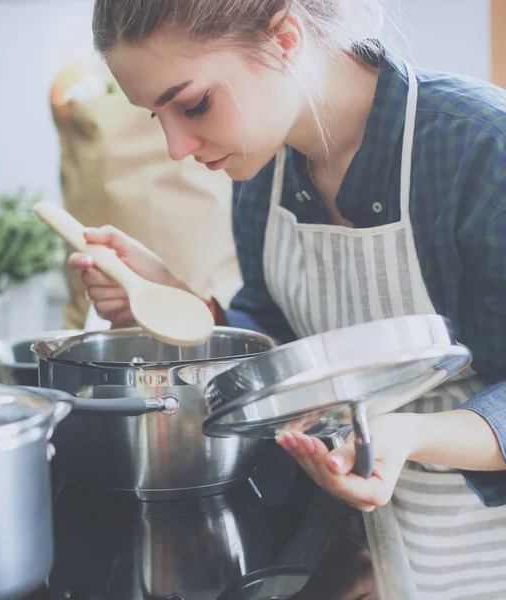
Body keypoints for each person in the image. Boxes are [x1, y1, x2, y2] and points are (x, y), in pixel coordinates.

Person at [70, 0, 506, 597]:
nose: (177, 145)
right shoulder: (261, 177)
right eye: (156, 116)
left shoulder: (481, 145)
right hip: (364, 548)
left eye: (194, 103)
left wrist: (405, 435)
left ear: (285, 37)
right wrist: (188, 306)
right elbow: (286, 348)